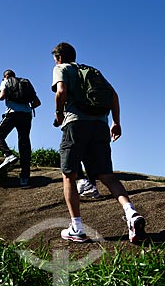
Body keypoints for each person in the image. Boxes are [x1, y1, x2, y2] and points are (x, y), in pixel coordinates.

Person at [51, 42, 146, 243]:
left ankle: (77, 228)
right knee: (107, 176)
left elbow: (61, 91)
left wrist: (59, 114)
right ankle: (131, 213)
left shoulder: (61, 68)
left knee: (69, 175)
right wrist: (116, 123)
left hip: (75, 125)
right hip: (100, 126)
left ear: (59, 57)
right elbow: (113, 95)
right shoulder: (92, 71)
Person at [0, 69, 41, 187]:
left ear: (5, 76)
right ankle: (25, 178)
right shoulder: (25, 83)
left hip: (12, 113)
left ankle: (9, 155)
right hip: (27, 115)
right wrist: (26, 106)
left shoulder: (6, 81)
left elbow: (1, 97)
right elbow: (37, 103)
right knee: (24, 143)